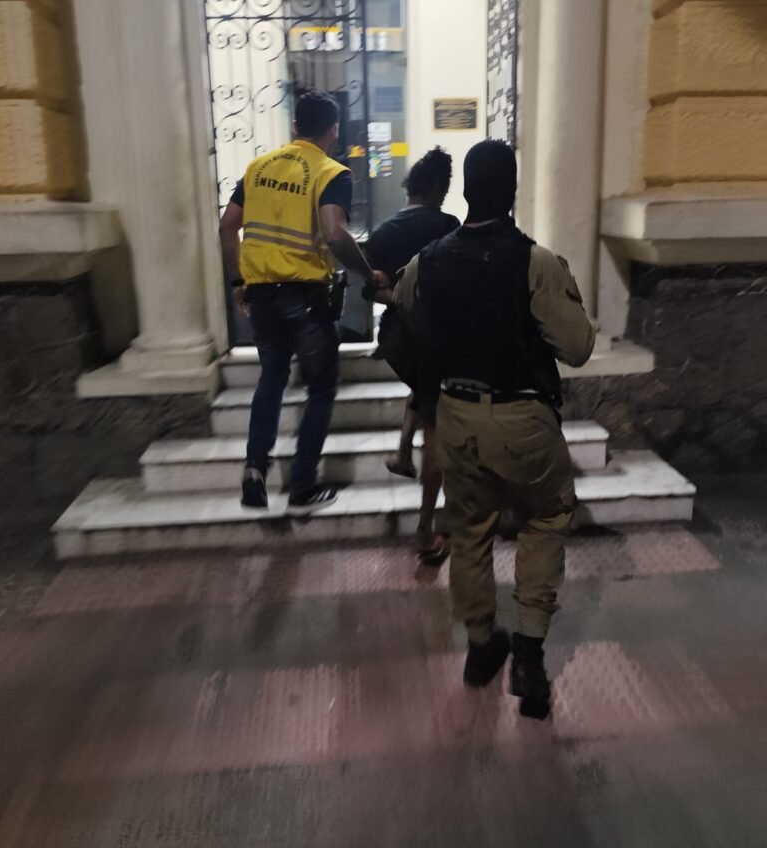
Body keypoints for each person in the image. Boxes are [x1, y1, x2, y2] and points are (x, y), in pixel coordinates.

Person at [394, 139, 595, 719]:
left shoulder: (429, 260)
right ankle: (528, 654)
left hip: (456, 416)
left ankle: (482, 647)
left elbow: (402, 306)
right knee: (546, 518)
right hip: (522, 418)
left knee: (470, 529)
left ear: (464, 191)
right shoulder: (536, 262)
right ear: (512, 192)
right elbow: (578, 347)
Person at [219, 91, 383, 515]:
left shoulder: (258, 167)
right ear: (334, 131)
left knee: (272, 377)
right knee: (321, 388)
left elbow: (228, 226)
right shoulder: (332, 172)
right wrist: (368, 273)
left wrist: (238, 280)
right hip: (305, 297)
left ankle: (254, 470)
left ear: (295, 126)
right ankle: (302, 485)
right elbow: (333, 232)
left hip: (261, 294)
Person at [365, 147, 459, 565]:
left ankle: (404, 452)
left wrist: (397, 297)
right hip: (437, 336)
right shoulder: (448, 227)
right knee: (435, 426)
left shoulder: (383, 232)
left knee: (423, 387)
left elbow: (371, 292)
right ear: (437, 187)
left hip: (397, 339)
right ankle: (425, 528)